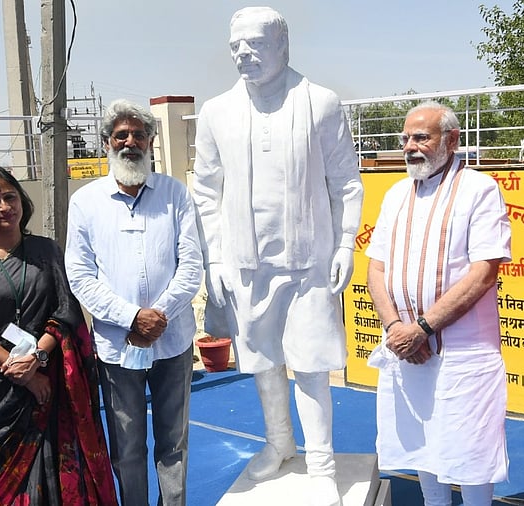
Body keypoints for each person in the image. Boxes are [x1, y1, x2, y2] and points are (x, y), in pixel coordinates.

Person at [192, 7, 363, 505]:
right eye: (235, 46)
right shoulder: (216, 112)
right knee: (263, 361)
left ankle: (321, 461)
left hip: (308, 262)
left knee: (310, 364)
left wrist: (346, 241)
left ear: (282, 45)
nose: (243, 54)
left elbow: (345, 184)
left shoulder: (320, 103)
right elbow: (206, 192)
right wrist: (216, 259)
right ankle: (279, 442)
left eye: (255, 44)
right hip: (248, 264)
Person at [365, 101, 512, 506]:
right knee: (420, 442)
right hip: (407, 350)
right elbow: (375, 271)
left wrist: (423, 328)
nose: (411, 146)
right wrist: (397, 329)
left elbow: (483, 272)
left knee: (470, 450)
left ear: (452, 139)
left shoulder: (479, 189)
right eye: (406, 138)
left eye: (421, 137)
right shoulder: (395, 194)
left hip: (462, 353)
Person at [0, 167, 117, 505]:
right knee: (5, 481)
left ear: (22, 201)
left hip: (51, 380)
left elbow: (66, 311)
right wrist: (21, 372)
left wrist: (36, 360)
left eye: (10, 197)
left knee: (60, 463)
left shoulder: (46, 251)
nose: (5, 206)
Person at [65, 99, 203, 506]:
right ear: (107, 143)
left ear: (151, 142)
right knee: (126, 448)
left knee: (173, 441)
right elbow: (80, 275)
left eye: (139, 135)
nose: (130, 142)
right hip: (117, 345)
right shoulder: (86, 202)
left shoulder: (176, 194)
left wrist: (158, 317)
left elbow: (192, 265)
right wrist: (131, 318)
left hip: (172, 340)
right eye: (121, 135)